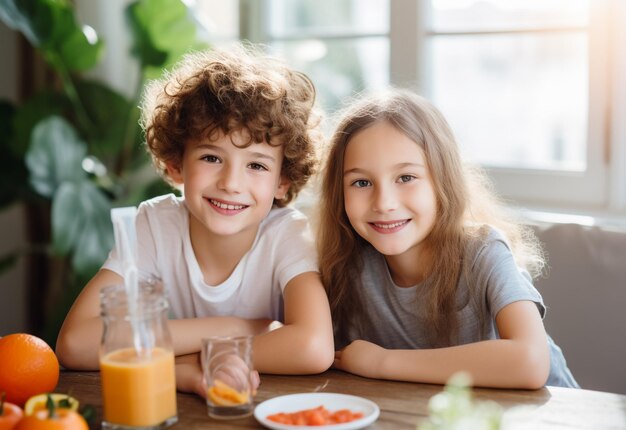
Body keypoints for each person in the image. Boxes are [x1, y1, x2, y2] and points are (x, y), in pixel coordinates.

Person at [56, 43, 335, 397]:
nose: (231, 183)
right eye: (211, 158)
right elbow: (76, 343)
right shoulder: (153, 225)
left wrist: (195, 359)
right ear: (177, 165)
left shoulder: (288, 234)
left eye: (256, 165)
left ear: (282, 181)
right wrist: (236, 328)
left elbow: (313, 347)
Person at [317, 88, 578, 389]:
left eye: (406, 178)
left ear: (443, 180)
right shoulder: (347, 266)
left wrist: (381, 362)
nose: (384, 202)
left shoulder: (483, 251)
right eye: (361, 182)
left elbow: (531, 362)